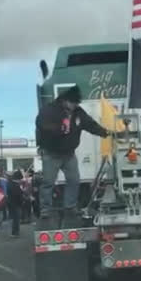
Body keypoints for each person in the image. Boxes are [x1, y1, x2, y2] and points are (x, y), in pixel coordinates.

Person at [35, 85, 111, 219]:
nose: (75, 106)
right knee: (48, 182)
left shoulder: (78, 112)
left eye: (76, 103)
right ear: (65, 100)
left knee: (74, 180)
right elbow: (41, 124)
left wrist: (105, 132)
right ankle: (45, 208)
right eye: (73, 103)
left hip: (69, 154)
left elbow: (90, 124)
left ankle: (70, 206)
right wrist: (58, 129)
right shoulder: (50, 110)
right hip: (52, 153)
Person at [7, 170, 24, 237]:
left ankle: (15, 232)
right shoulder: (16, 185)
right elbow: (18, 195)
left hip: (11, 204)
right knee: (16, 219)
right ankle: (15, 232)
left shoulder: (10, 184)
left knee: (15, 219)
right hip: (16, 204)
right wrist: (22, 201)